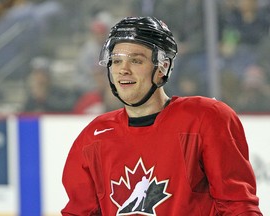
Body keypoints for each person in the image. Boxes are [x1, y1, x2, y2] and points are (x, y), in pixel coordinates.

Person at [61, 16, 262, 215]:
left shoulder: (205, 119)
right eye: (116, 61)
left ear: (162, 67)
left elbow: (238, 206)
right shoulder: (94, 137)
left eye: (136, 61)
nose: (123, 70)